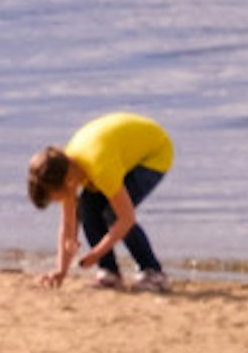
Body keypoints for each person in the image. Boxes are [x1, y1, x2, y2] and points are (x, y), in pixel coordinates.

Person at [29, 112, 174, 290]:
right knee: (87, 207)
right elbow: (68, 225)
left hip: (154, 153)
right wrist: (61, 270)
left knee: (113, 214)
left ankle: (153, 272)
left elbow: (126, 218)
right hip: (118, 149)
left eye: (55, 197)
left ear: (68, 182)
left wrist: (96, 253)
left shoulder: (100, 169)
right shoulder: (67, 169)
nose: (57, 201)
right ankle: (109, 273)